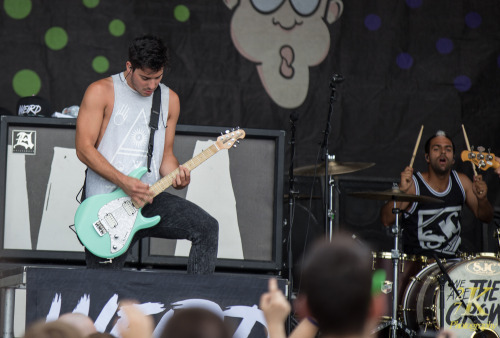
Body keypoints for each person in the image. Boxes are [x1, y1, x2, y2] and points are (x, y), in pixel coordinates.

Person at [75, 34, 219, 273]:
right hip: (105, 206)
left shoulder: (170, 100)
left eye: (158, 77)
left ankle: (196, 307)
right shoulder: (100, 91)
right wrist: (125, 182)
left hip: (149, 197)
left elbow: (166, 157)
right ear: (129, 67)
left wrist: (179, 177)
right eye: (145, 78)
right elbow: (83, 149)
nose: (151, 85)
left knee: (206, 228)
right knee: (102, 293)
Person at [380, 130, 493, 258]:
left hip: (453, 266)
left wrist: (482, 199)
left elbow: (486, 217)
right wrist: (403, 191)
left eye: (448, 149)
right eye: (436, 149)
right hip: (419, 268)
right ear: (427, 157)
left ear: (453, 159)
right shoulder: (413, 185)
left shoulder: (462, 182)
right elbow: (386, 220)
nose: (443, 152)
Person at [260, 233, 386, 338]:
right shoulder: (376, 306)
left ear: (303, 308)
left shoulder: (308, 311)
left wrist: (274, 326)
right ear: (378, 306)